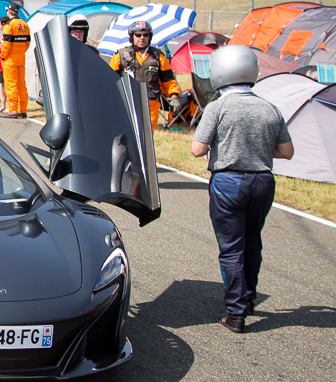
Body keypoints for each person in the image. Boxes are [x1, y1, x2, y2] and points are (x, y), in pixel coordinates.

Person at [190, 45, 294, 333]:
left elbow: (197, 149)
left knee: (231, 247)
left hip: (229, 182)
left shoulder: (218, 107)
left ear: (219, 72)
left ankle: (235, 312)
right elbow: (287, 151)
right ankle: (248, 299)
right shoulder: (269, 107)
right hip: (262, 181)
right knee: (252, 241)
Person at [109, 20, 181, 127]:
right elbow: (110, 80)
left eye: (145, 35)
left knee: (146, 139)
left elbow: (169, 80)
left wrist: (174, 96)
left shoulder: (158, 57)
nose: (142, 38)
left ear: (150, 37)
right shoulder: (120, 55)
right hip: (126, 103)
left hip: (150, 104)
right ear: (132, 37)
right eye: (138, 35)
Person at [0, 2, 31, 118]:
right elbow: (27, 42)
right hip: (21, 58)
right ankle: (23, 110)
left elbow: (6, 44)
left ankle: (12, 110)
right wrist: (21, 52)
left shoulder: (9, 25)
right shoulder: (24, 24)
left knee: (11, 84)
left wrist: (3, 55)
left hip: (10, 59)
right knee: (21, 84)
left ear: (9, 12)